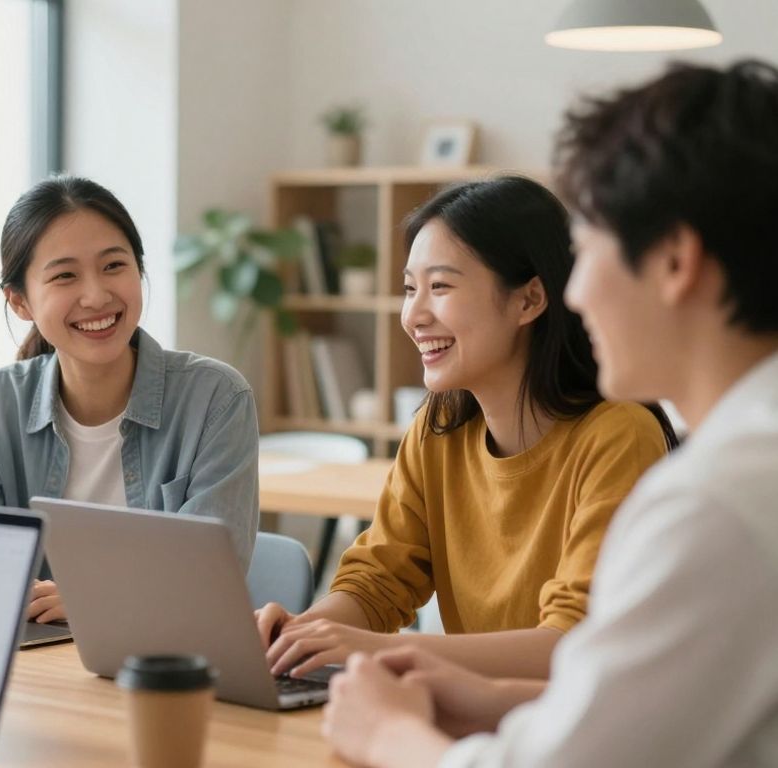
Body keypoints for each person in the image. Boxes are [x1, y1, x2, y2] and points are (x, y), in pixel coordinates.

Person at [321, 59, 778, 768]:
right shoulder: (743, 461)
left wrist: (388, 735)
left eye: (589, 250)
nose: (577, 292)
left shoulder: (717, 503)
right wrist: (480, 693)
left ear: (675, 262)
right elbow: (626, 704)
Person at [256, 175, 677, 680]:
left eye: (440, 286)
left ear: (529, 299)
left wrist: (368, 649)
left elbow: (575, 643)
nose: (414, 315)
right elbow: (377, 582)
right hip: (472, 719)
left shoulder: (619, 436)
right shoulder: (438, 429)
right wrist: (303, 636)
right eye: (410, 288)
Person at [0, 175, 260, 623]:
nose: (96, 295)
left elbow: (209, 581)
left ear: (140, 269)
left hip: (164, 666)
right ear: (20, 302)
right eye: (65, 275)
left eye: (113, 266)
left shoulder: (215, 399)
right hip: (34, 667)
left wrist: (97, 600)